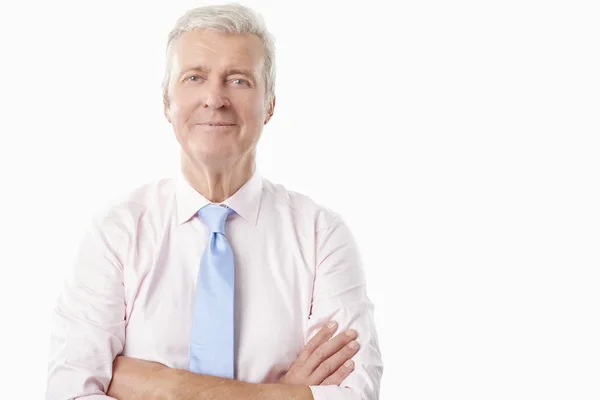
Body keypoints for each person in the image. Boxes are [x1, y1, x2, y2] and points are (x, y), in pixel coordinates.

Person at [45, 3, 383, 400]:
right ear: (167, 104)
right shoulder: (116, 232)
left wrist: (162, 386)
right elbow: (69, 390)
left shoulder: (320, 234)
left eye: (238, 81)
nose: (214, 98)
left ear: (270, 105)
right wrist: (280, 394)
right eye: (194, 77)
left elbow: (354, 393)